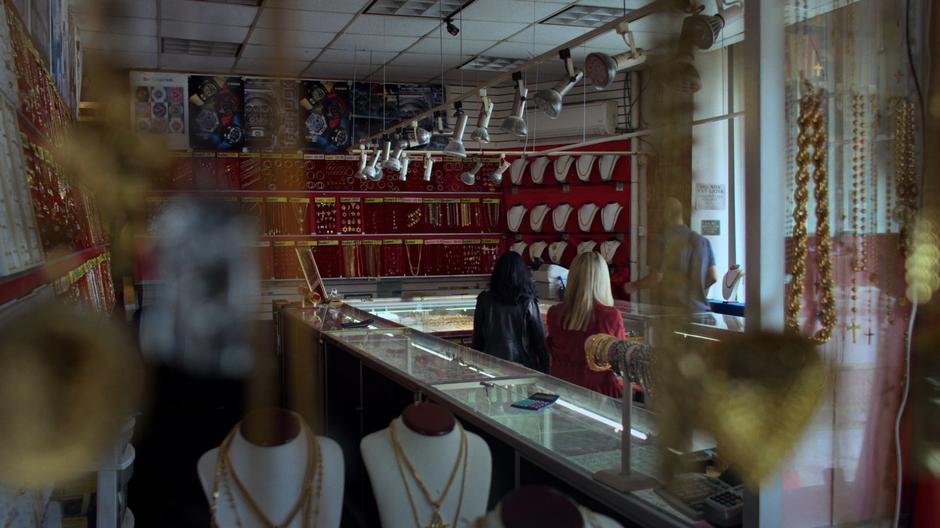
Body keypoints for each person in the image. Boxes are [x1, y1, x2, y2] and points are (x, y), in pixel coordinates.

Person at [546, 252, 625, 397]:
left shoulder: (555, 313)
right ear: (603, 279)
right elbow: (620, 361)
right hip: (599, 394)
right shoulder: (610, 316)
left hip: (560, 389)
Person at [623, 197, 717, 312]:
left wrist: (634, 285)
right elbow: (713, 277)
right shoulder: (703, 241)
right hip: (700, 312)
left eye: (660, 214)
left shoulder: (663, 241)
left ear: (667, 214)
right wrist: (695, 291)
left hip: (674, 315)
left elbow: (656, 278)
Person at [472, 251, 549, 373]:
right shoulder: (527, 302)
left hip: (490, 365)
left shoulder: (484, 299)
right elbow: (539, 341)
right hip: (523, 366)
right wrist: (546, 372)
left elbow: (478, 339)